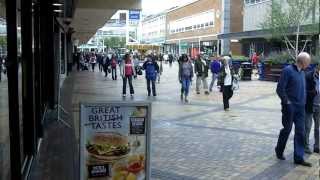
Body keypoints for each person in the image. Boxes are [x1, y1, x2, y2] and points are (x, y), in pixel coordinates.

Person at [275, 52, 312, 167]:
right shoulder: (288, 70)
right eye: (308, 62)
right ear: (303, 61)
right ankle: (279, 150)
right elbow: (280, 89)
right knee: (287, 129)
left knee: (300, 132)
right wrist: (287, 102)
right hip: (290, 107)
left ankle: (299, 157)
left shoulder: (302, 73)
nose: (309, 64)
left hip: (301, 108)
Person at [304, 64, 320, 154]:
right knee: (307, 127)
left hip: (319, 105)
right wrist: (312, 92)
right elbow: (303, 90)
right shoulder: (308, 76)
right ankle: (305, 146)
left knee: (318, 128)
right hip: (310, 105)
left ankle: (317, 146)